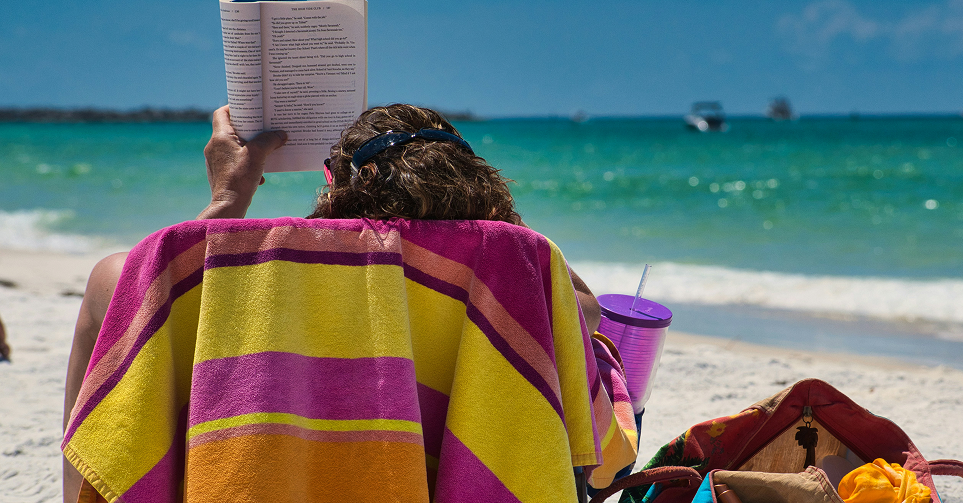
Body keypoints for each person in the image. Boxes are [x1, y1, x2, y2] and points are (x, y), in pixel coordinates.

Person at [63, 104, 606, 502]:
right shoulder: (523, 271)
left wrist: (228, 200)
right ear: (474, 176)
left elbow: (149, 293)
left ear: (332, 183)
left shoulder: (225, 265)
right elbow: (588, 323)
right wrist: (501, 238)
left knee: (111, 282)